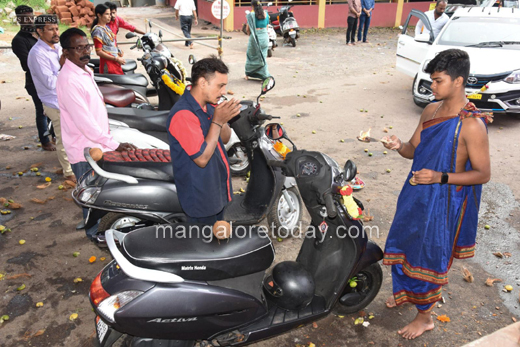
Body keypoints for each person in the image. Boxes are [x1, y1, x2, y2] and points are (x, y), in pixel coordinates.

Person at [382, 49, 492, 340]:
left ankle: (425, 316)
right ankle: (408, 295)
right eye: (431, 80)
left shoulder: (471, 124)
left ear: (458, 81)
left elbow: (482, 173)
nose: (432, 86)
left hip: (443, 203)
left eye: (438, 80)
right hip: (415, 193)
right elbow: (413, 150)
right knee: (403, 245)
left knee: (428, 256)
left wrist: (440, 177)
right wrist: (397, 145)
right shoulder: (431, 110)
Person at [56, 28, 136, 240]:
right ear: (66, 51)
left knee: (94, 189)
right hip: (84, 147)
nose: (84, 51)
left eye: (86, 46)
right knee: (90, 192)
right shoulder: (69, 80)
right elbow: (85, 123)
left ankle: (91, 223)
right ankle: (93, 232)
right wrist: (114, 143)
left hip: (95, 143)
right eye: (78, 48)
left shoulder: (85, 70)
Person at [167, 56, 241, 224]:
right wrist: (216, 121)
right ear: (202, 83)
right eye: (220, 86)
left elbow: (225, 137)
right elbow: (201, 159)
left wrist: (222, 117)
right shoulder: (183, 114)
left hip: (216, 190)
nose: (223, 91)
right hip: (201, 198)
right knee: (205, 245)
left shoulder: (208, 105)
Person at [27, 15, 75, 182]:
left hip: (69, 99)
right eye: (51, 29)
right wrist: (63, 66)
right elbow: (50, 83)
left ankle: (75, 164)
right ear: (39, 31)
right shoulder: (37, 53)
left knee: (73, 135)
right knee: (63, 139)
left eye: (56, 28)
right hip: (55, 102)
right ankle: (69, 172)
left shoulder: (58, 47)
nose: (56, 32)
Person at [11, 5, 55, 151]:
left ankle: (55, 136)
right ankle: (45, 140)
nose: (29, 20)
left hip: (49, 78)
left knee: (53, 109)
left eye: (31, 17)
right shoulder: (18, 40)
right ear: (18, 20)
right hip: (34, 81)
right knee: (42, 111)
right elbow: (28, 63)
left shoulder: (39, 34)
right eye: (25, 18)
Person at [91, 4, 125, 75]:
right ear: (99, 15)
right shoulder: (98, 30)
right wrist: (116, 59)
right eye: (107, 14)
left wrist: (117, 50)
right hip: (108, 64)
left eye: (110, 14)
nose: (110, 16)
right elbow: (99, 52)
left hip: (113, 62)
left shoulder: (106, 28)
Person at [244, 0, 270, 80]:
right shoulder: (266, 14)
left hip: (255, 38)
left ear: (252, 6)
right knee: (262, 57)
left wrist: (250, 36)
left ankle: (248, 74)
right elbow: (267, 27)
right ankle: (264, 76)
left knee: (250, 56)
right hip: (265, 37)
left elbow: (248, 29)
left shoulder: (251, 15)